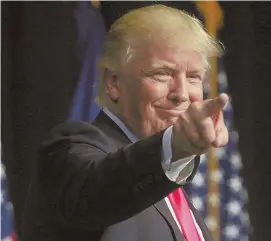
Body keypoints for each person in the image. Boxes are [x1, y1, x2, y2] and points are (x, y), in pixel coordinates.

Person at [21, 4, 229, 241]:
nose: (181, 94)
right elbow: (101, 187)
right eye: (161, 73)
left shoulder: (170, 184)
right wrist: (176, 146)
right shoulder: (69, 151)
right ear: (113, 82)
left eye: (193, 77)